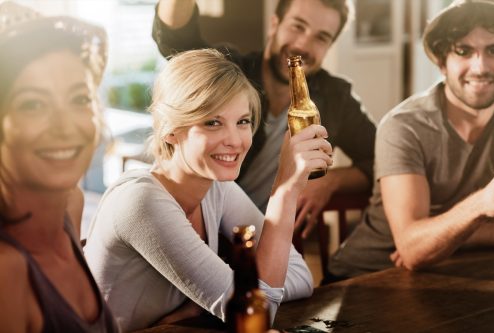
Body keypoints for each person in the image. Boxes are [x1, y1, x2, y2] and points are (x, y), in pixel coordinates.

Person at [84, 48, 330, 331]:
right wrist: (285, 189)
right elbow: (257, 318)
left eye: (243, 122)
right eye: (212, 122)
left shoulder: (215, 189)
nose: (235, 140)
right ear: (170, 130)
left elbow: (301, 276)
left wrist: (207, 303)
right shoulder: (141, 201)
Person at [152, 0, 376, 238]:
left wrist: (330, 181)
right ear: (274, 24)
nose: (303, 44)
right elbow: (174, 37)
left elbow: (382, 159)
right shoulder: (231, 71)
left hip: (268, 235)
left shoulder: (335, 98)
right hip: (201, 227)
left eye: (321, 37)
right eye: (297, 26)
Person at [325, 0, 494, 282]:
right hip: (366, 279)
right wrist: (482, 205)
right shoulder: (404, 126)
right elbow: (413, 250)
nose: (480, 67)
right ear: (442, 62)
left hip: (455, 272)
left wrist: (456, 236)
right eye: (464, 51)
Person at [0, 2, 119, 332]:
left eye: (79, 99)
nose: (64, 127)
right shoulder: (5, 272)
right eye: (33, 104)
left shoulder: (69, 209)